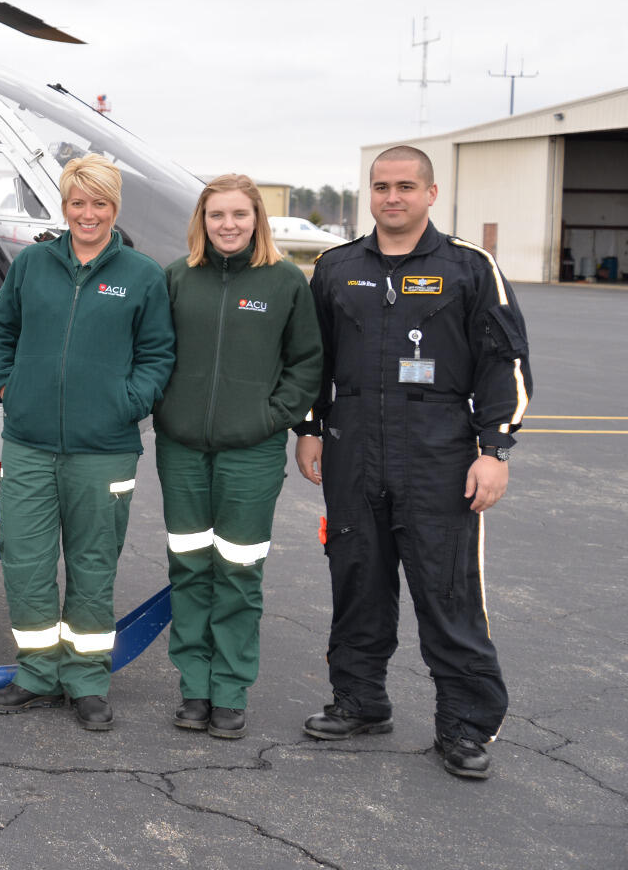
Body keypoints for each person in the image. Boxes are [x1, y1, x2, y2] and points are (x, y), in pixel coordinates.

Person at [296, 145, 531, 780]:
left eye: (404, 186)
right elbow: (312, 359)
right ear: (368, 194)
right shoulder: (336, 268)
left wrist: (495, 449)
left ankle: (463, 726)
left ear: (430, 193)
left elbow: (504, 362)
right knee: (357, 579)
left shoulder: (469, 268)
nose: (391, 197)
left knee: (446, 590)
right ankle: (360, 700)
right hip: (354, 448)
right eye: (380, 186)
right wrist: (312, 428)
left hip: (439, 450)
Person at [0, 154, 174, 730]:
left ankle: (87, 680)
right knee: (27, 562)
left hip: (105, 449)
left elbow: (158, 354)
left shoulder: (142, 275)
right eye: (77, 202)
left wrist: (129, 403)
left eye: (100, 203)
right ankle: (37, 673)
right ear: (64, 206)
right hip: (29, 443)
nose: (88, 214)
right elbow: (0, 329)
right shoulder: (32, 264)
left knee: (93, 566)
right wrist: (6, 384)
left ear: (115, 208)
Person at [153, 175, 322, 739]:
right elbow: (153, 352)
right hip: (181, 450)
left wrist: (271, 419)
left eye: (240, 215)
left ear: (258, 220)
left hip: (251, 452)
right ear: (202, 220)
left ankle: (229, 691)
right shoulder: (177, 278)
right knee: (190, 568)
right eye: (217, 215)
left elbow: (306, 363)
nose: (229, 225)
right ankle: (194, 689)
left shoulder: (285, 281)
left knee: (239, 572)